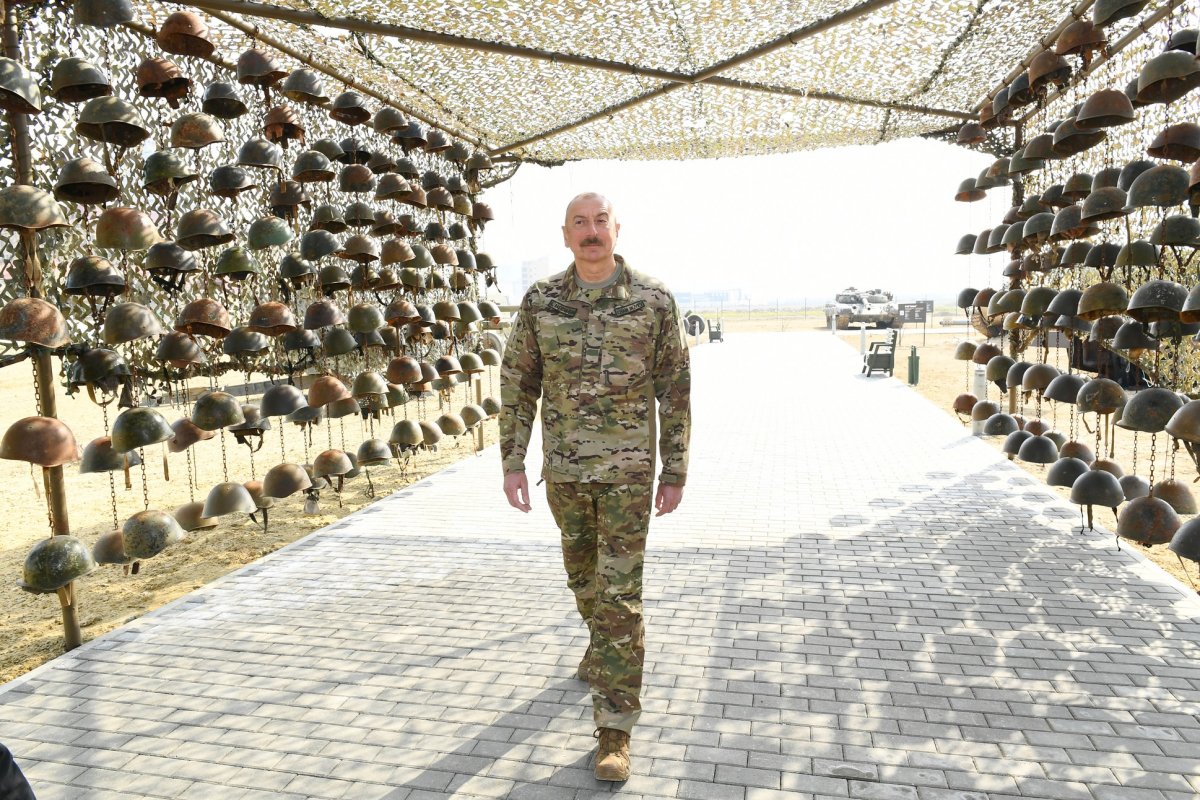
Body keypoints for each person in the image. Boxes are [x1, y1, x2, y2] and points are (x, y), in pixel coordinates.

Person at [499, 192, 691, 781]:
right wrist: (512, 461)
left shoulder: (654, 300)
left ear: (616, 229)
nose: (591, 231)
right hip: (564, 474)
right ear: (565, 236)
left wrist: (674, 468)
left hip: (629, 478)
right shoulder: (541, 301)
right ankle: (602, 646)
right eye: (579, 223)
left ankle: (614, 730)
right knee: (584, 578)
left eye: (599, 221)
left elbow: (675, 387)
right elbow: (517, 384)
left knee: (619, 596)